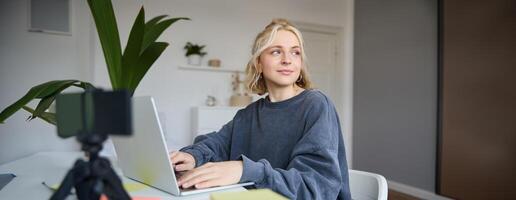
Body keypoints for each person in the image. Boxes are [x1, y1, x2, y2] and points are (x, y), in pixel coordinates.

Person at [170, 19, 351, 200]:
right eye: (276, 52)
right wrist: (192, 156)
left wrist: (245, 170)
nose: (287, 60)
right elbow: (217, 144)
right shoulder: (248, 114)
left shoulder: (316, 105)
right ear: (258, 63)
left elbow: (314, 188)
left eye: (295, 53)